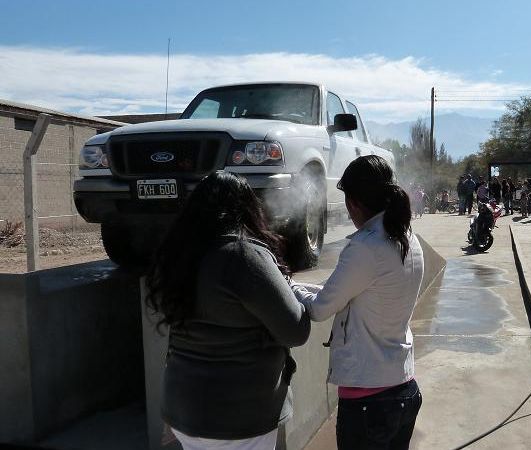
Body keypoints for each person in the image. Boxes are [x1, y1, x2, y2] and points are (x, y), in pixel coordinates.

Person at [145, 171, 310, 450]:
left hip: (184, 412)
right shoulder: (244, 256)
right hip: (238, 420)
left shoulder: (177, 257)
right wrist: (295, 292)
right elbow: (295, 330)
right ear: (247, 209)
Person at [292, 155, 425, 448]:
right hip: (403, 388)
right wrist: (298, 285)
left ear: (353, 203)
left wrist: (289, 287)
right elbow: (340, 291)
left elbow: (320, 308)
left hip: (369, 400)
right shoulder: (407, 238)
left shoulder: (365, 247)